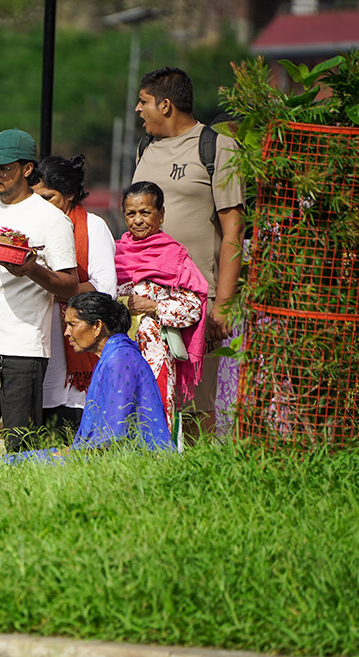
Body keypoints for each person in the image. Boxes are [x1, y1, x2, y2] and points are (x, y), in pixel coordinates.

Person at [133, 66, 245, 435]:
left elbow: (233, 229)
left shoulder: (217, 147)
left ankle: (198, 475)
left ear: (165, 105)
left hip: (196, 298)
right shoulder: (144, 149)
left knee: (197, 404)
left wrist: (224, 302)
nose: (138, 109)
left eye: (143, 101)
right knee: (150, 398)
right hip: (146, 297)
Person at [0, 129, 77, 455]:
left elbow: (70, 286)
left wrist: (31, 269)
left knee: (21, 450)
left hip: (23, 350)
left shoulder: (52, 219)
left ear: (27, 169)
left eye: (3, 167)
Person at [28, 155, 117, 428]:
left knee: (71, 415)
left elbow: (104, 288)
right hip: (35, 332)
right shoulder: (29, 227)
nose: (40, 206)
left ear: (69, 196)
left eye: (48, 197)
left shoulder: (93, 227)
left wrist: (53, 288)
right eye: (35, 198)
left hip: (75, 339)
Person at [116, 181, 208, 427]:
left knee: (154, 413)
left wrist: (153, 308)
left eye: (145, 212)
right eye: (131, 213)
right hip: (117, 351)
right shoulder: (114, 254)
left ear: (162, 214)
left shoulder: (175, 257)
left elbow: (192, 308)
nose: (137, 220)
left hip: (155, 355)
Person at [64, 292, 172, 451]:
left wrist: (65, 455)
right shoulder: (113, 356)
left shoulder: (120, 359)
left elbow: (114, 437)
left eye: (72, 324)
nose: (67, 332)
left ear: (97, 326)